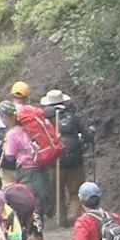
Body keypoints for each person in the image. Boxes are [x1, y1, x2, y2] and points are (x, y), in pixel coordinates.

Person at [0, 101, 48, 240]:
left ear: (6, 116)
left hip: (26, 170)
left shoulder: (12, 133)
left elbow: (10, 157)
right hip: (37, 167)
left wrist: (3, 150)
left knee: (32, 204)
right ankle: (36, 237)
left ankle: (37, 239)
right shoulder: (26, 129)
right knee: (35, 202)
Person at [40, 89, 94, 227]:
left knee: (56, 191)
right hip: (75, 158)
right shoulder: (73, 116)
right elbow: (87, 134)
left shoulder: (44, 118)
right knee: (75, 191)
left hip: (54, 159)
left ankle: (61, 220)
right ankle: (73, 215)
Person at [0, 82, 33, 183]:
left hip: (6, 161)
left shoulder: (3, 112)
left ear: (12, 95)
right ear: (27, 97)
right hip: (26, 163)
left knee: (9, 191)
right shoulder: (29, 112)